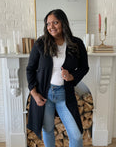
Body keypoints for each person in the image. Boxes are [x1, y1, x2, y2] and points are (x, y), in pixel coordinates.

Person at [26, 9, 89, 147]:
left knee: (77, 137)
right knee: (47, 130)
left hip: (65, 96)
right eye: (48, 23)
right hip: (44, 95)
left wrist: (72, 76)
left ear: (63, 23)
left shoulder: (76, 43)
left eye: (55, 22)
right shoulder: (40, 44)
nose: (51, 26)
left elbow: (84, 67)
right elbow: (30, 69)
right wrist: (34, 93)